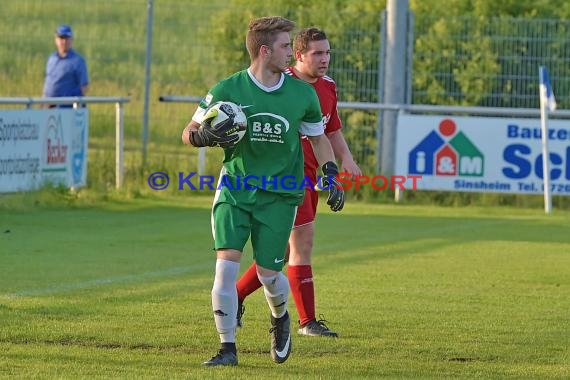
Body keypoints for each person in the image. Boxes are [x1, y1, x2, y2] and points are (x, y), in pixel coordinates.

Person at [181, 17, 345, 367]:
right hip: (236, 189)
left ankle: (281, 318)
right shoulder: (228, 89)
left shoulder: (302, 94)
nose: (291, 52)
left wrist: (330, 173)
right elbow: (190, 130)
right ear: (265, 50)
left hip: (280, 195)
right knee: (224, 269)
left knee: (271, 275)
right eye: (286, 46)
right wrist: (202, 136)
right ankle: (227, 349)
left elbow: (319, 138)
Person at [236, 27, 362, 338]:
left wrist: (344, 159)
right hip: (284, 178)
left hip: (310, 177)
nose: (325, 59)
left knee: (294, 247)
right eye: (318, 53)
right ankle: (300, 319)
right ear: (299, 55)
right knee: (292, 246)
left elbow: (330, 130)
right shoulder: (282, 84)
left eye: (328, 53)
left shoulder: (328, 87)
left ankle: (241, 299)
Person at [42, 25, 89, 107]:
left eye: (67, 38)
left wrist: (68, 99)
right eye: (61, 38)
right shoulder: (51, 59)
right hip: (49, 108)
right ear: (56, 40)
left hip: (67, 109)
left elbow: (84, 87)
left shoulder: (77, 61)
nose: (64, 42)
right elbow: (48, 82)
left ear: (71, 40)